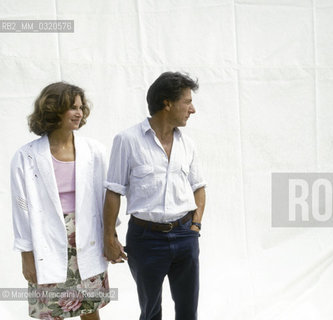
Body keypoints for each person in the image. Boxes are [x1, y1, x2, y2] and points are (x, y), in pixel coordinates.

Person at [103, 71, 206, 320]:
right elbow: (114, 191)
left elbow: (199, 187)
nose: (192, 109)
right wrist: (109, 237)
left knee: (188, 311)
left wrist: (195, 224)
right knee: (150, 311)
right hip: (145, 239)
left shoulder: (187, 144)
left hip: (185, 235)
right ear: (167, 103)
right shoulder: (127, 140)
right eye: (187, 101)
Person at [10, 82, 110, 320]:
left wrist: (111, 237)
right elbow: (20, 208)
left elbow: (106, 198)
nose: (79, 113)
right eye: (71, 108)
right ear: (53, 110)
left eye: (80, 107)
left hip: (87, 236)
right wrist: (26, 256)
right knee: (52, 312)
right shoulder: (27, 156)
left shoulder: (94, 151)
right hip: (46, 239)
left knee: (90, 308)